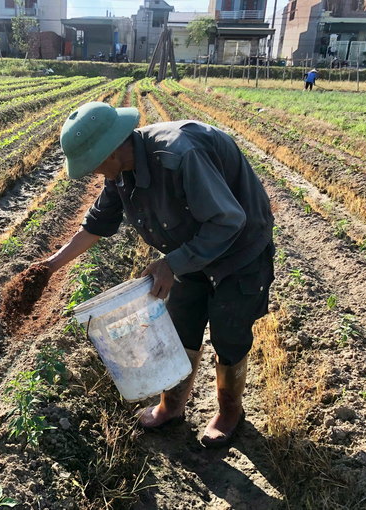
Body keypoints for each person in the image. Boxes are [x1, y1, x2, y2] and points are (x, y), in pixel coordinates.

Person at [30, 102, 274, 447]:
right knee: (180, 324)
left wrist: (172, 263)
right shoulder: (121, 173)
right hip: (190, 248)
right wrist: (49, 267)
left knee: (228, 332)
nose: (93, 172)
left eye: (93, 163)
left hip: (240, 247)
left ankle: (229, 412)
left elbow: (228, 220)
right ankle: (172, 405)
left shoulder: (180, 155)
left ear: (112, 150)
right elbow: (97, 223)